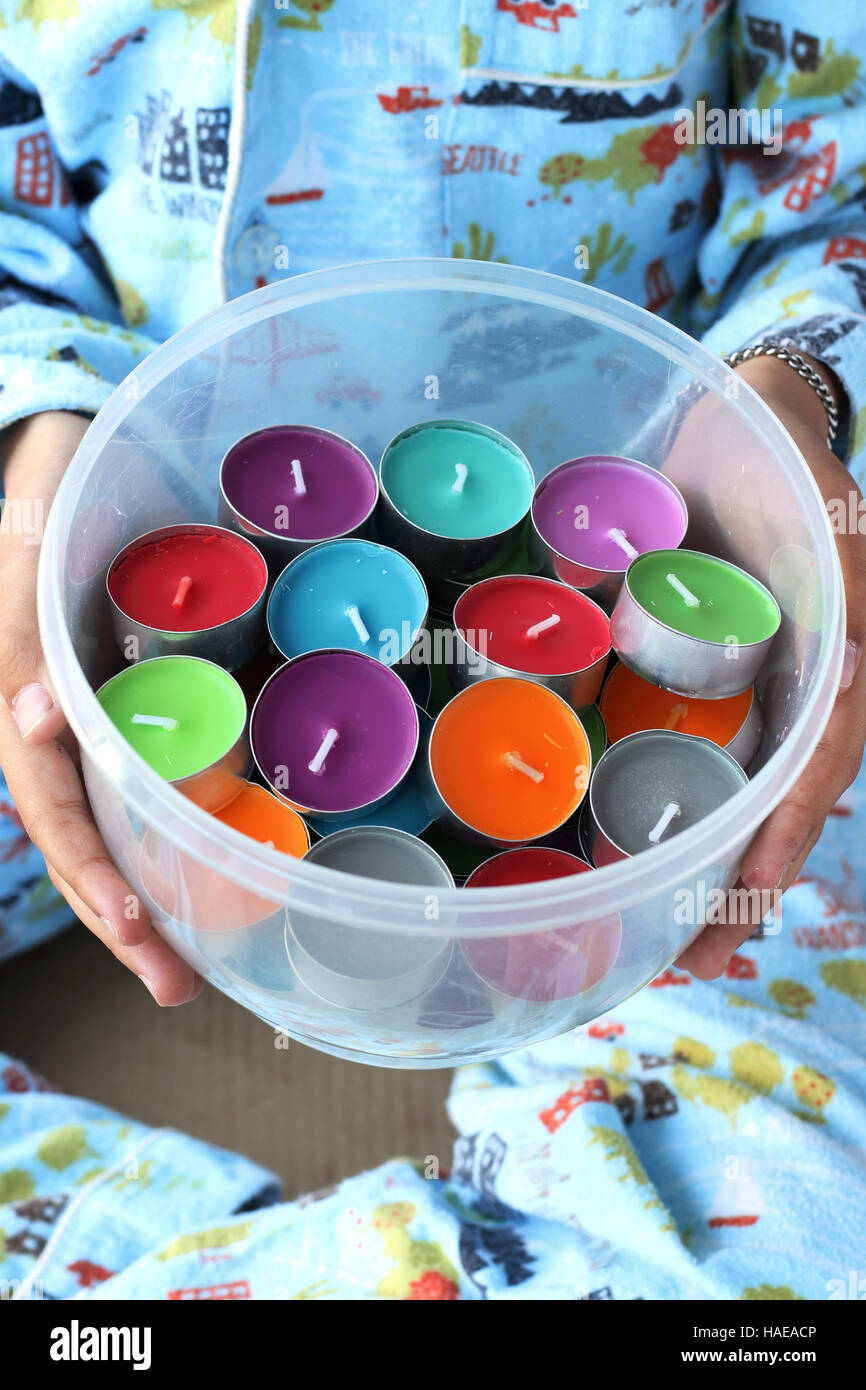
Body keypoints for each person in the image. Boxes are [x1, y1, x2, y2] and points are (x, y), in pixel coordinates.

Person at [0, 0, 864, 1300]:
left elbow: (832, 186)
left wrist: (787, 399)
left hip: (673, 549)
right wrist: (34, 444)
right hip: (106, 562)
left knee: (796, 1244)